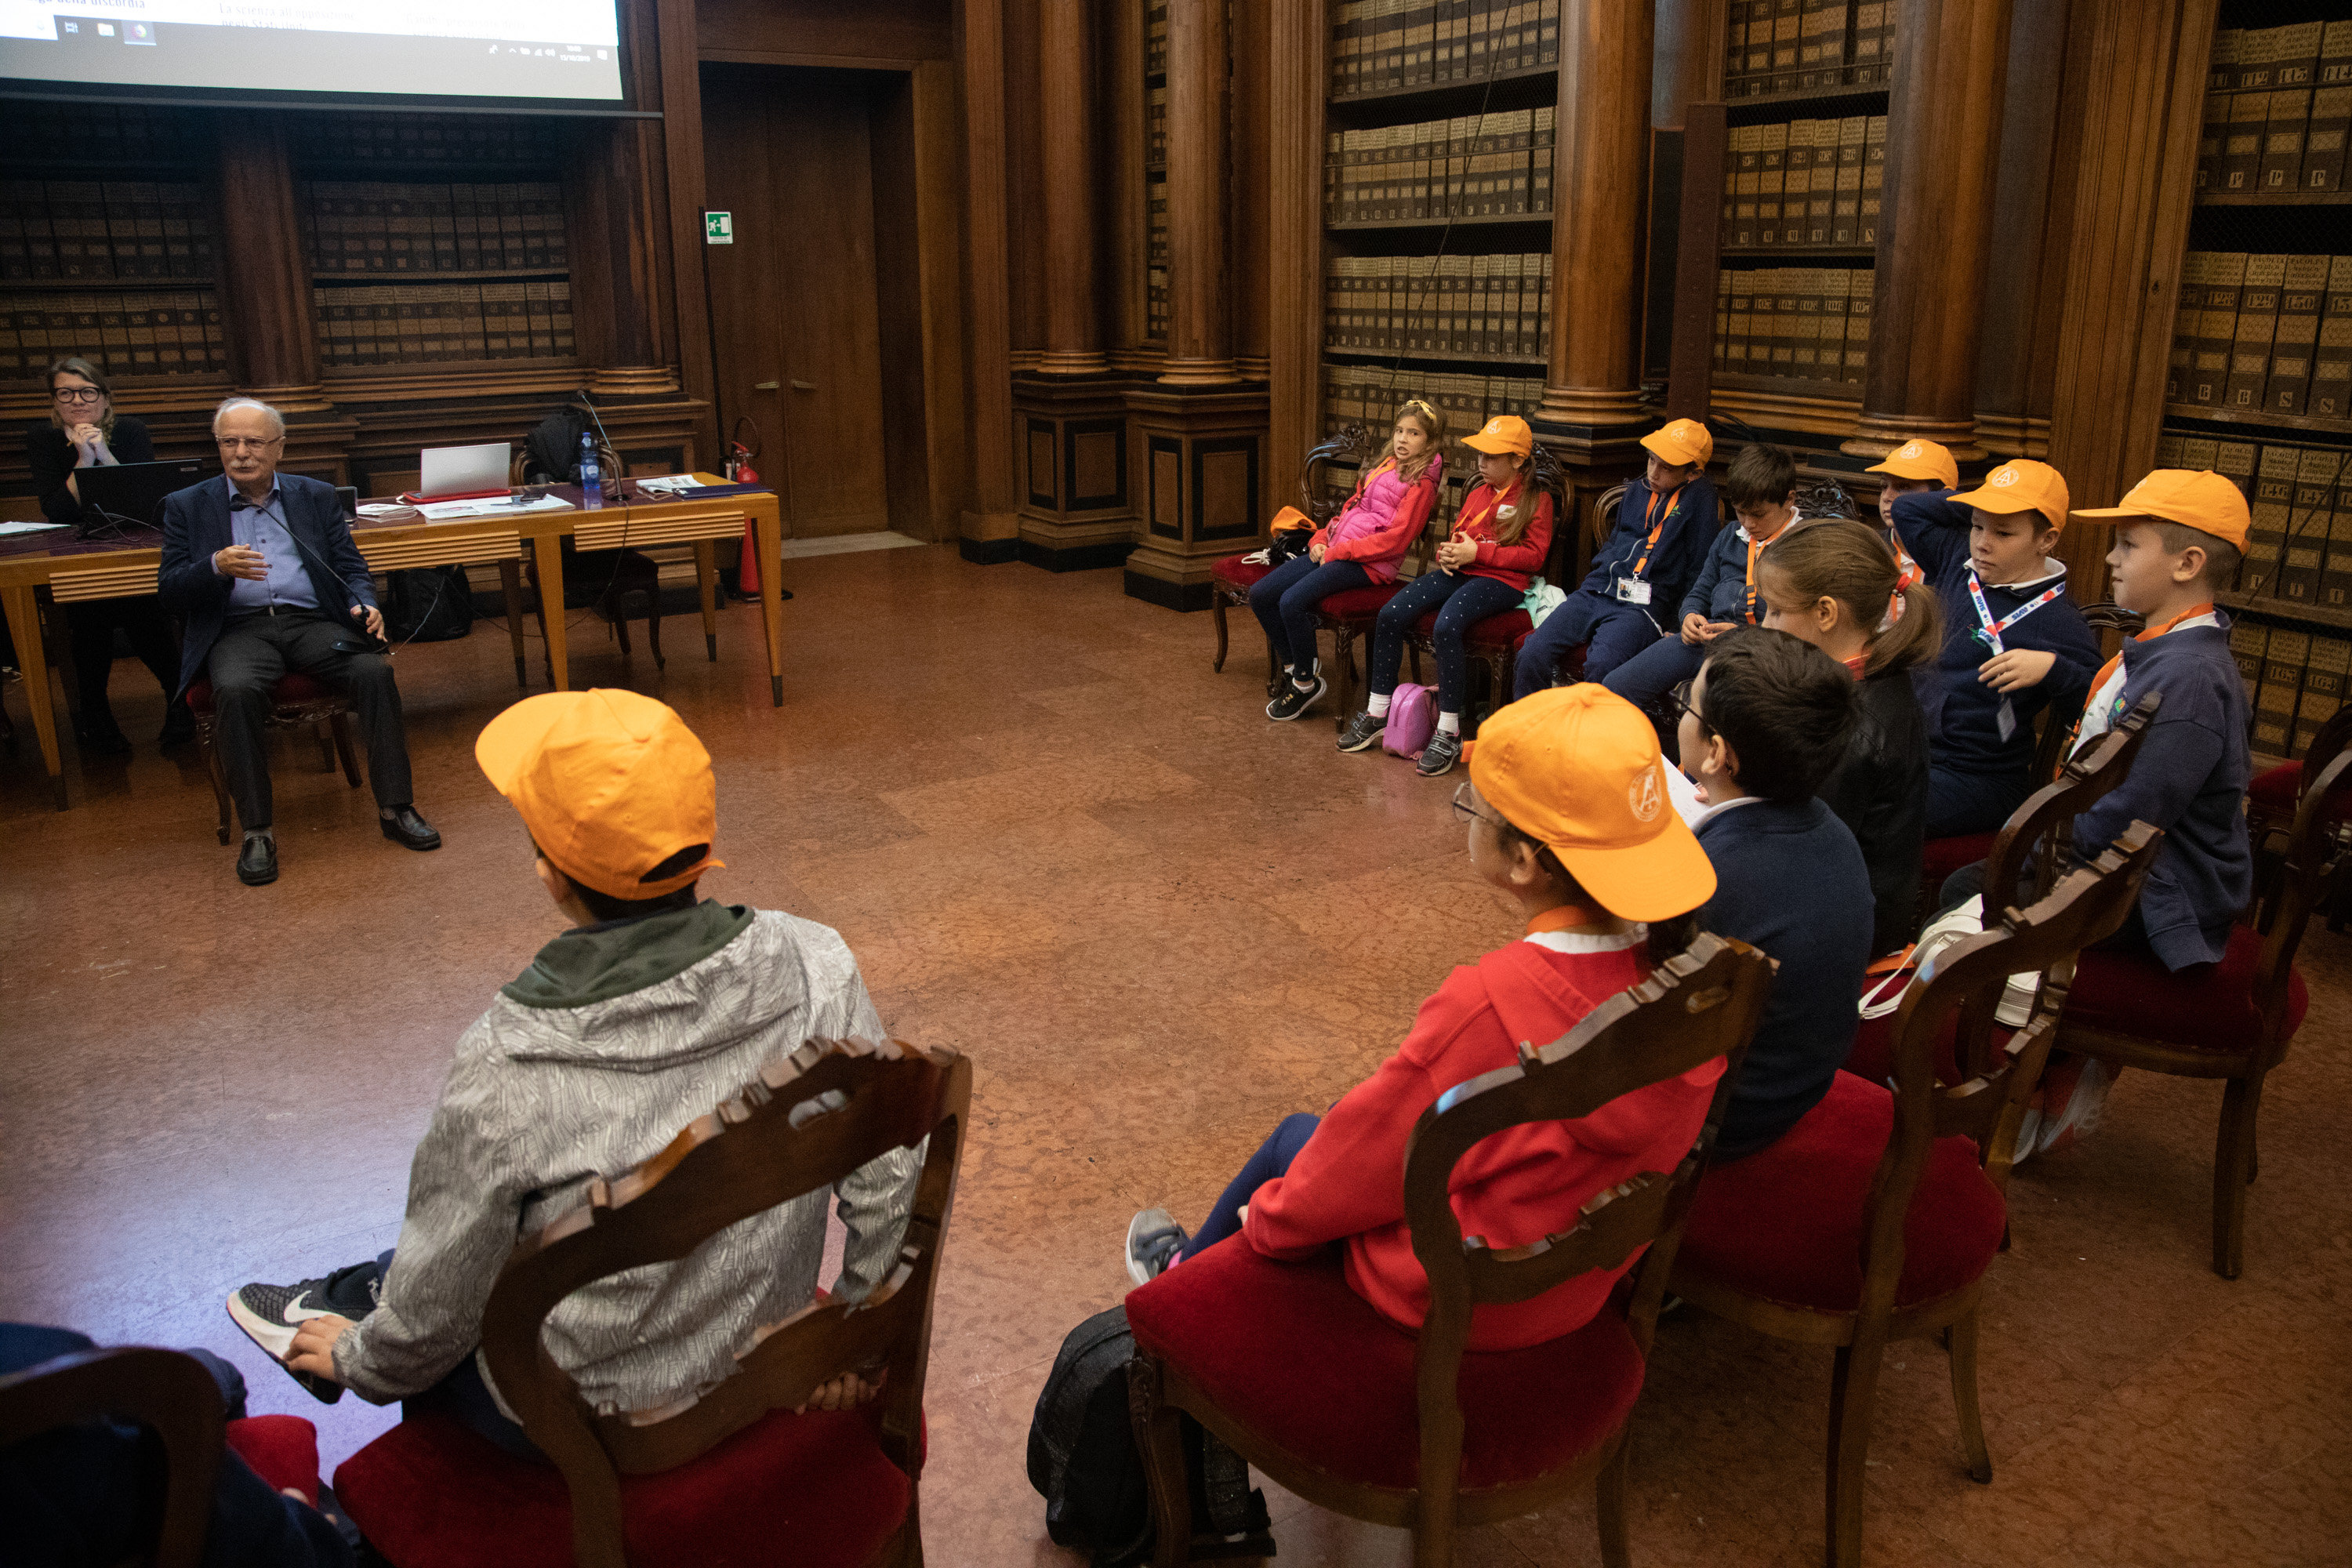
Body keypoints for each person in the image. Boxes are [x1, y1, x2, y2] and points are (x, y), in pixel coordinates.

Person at [222, 690, 920, 1451]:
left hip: (582, 1415)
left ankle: (350, 1309)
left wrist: (364, 1363)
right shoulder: (818, 962)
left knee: (443, 1296)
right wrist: (851, 1335)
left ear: (553, 876)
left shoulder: (507, 1061)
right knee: (453, 1256)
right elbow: (888, 1159)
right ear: (701, 836)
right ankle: (358, 1288)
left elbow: (436, 1328)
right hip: (757, 1339)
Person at [1123, 684, 1727, 1352]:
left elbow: (1362, 1166)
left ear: (1523, 861)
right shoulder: (1697, 975)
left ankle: (1179, 1290)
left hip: (1448, 1296)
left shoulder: (1493, 1005)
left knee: (1297, 1143)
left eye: (1473, 805)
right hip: (1575, 1288)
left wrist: (1264, 1224)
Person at [157, 397, 439, 887]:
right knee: (237, 690)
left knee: (374, 671)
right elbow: (170, 591)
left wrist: (363, 603)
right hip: (239, 629)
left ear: (279, 448)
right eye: (229, 442)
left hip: (311, 623)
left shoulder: (313, 496)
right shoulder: (187, 505)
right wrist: (214, 568)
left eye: (254, 442)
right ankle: (258, 831)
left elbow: (349, 567)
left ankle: (396, 808)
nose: (241, 453)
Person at [1675, 627, 1875, 1160]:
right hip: (1795, 1085)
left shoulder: (1710, 877)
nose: (1682, 714)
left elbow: (1635, 1024)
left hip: (1722, 1124)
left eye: (1686, 706)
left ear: (1717, 753)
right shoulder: (1829, 828)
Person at [0, 1323, 355, 1567]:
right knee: (202, 1388)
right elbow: (270, 1548)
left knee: (209, 1371)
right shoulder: (44, 1388)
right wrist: (306, 1530)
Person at [1757, 518, 1943, 957]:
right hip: (1832, 905)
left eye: (1777, 611)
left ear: (1825, 613)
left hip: (1842, 936)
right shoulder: (1859, 678)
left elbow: (1799, 849)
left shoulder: (1853, 730)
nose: (1765, 626)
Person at [1889, 459, 2101, 837]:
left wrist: (2054, 669)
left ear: (2047, 539)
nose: (1983, 543)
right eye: (1976, 526)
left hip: (1979, 778)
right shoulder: (1957, 557)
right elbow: (1907, 508)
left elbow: (2093, 714)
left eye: (2004, 533)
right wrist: (1986, 500)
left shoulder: (2060, 620)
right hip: (1907, 746)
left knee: (1873, 807)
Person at [1335, 414, 1555, 777]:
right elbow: (1459, 535)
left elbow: (1533, 558)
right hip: (1462, 572)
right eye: (1480, 456)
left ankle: (1449, 731)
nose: (1481, 463)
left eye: (1491, 457)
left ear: (1517, 460)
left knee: (1448, 624)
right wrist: (1450, 553)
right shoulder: (1477, 492)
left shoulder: (1537, 500)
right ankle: (1378, 711)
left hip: (1503, 582)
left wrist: (1478, 554)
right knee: (1392, 613)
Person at [24, 355, 193, 753]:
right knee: (88, 615)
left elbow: (139, 500)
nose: (77, 402)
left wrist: (104, 457)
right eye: (66, 393)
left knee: (142, 610)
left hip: (132, 543)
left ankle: (178, 703)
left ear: (104, 398)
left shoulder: (130, 431)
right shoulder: (44, 439)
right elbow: (58, 510)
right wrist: (82, 460)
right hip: (76, 550)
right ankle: (96, 715)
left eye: (87, 392)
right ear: (54, 401)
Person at [1253, 400, 1445, 721]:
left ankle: (1303, 683)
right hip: (1337, 550)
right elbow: (1351, 509)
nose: (1402, 439)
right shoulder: (1385, 464)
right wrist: (1320, 539)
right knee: (1262, 595)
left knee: (1291, 602)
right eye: (1399, 431)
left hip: (1369, 566)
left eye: (1413, 433)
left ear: (1430, 441)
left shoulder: (1422, 482)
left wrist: (1337, 553)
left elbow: (1396, 540)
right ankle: (1295, 667)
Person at [1510, 416, 1719, 700]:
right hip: (1597, 591)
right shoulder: (1636, 490)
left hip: (1642, 607)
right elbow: (1614, 543)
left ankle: (1591, 743)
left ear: (1692, 473)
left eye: (1666, 467)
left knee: (1603, 666)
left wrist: (1675, 622)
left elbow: (1699, 569)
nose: (1654, 473)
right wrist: (1594, 579)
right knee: (1532, 651)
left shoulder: (1701, 500)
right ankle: (1530, 734)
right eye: (1651, 460)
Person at [1602, 442, 1802, 715]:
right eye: (1740, 512)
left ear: (1789, 500)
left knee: (1714, 710)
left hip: (1760, 656)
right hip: (1704, 642)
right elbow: (1699, 591)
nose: (1748, 524)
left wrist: (1745, 635)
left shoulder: (1804, 545)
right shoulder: (1730, 535)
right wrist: (1690, 616)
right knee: (1615, 687)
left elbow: (1799, 630)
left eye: (1758, 514)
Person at [1863, 436, 1958, 593]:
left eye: (1904, 487)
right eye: (1884, 486)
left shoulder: (1960, 557)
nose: (1887, 496)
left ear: (1942, 496)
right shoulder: (1870, 549)